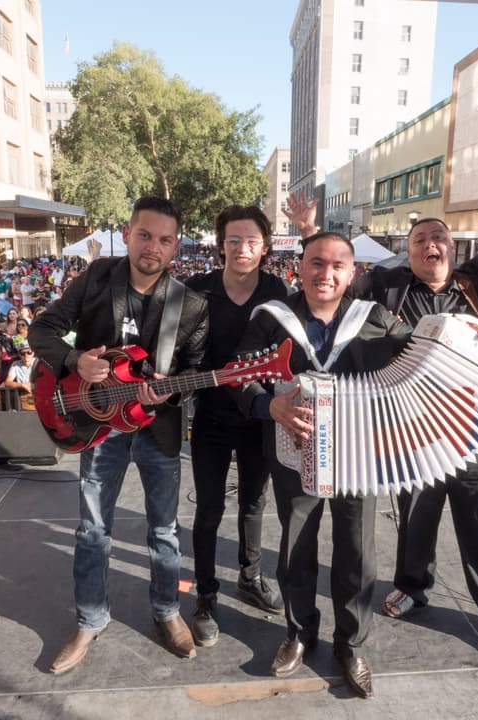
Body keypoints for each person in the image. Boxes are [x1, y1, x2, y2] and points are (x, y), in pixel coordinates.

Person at [304, 148, 478, 674]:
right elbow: (331, 274)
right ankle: (413, 586)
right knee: (415, 518)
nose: (430, 245)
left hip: (477, 427)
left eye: (439, 238)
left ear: (452, 249)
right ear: (407, 252)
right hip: (412, 427)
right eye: (420, 240)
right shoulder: (383, 289)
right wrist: (311, 234)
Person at [31, 197, 209, 674]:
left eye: (165, 240)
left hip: (158, 432)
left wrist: (165, 396)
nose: (153, 247)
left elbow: (192, 372)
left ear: (176, 247)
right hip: (96, 426)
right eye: (145, 235)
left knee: (165, 531)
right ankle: (90, 620)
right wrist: (73, 361)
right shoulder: (95, 279)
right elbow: (42, 329)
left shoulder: (189, 306)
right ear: (127, 234)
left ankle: (167, 611)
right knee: (92, 529)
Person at [233, 231, 410, 699]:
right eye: (316, 263)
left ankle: (351, 644)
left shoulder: (377, 322)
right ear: (300, 266)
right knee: (297, 548)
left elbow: (418, 366)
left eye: (337, 265)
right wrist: (266, 407)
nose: (325, 273)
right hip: (295, 453)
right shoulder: (273, 320)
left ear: (352, 273)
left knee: (356, 551)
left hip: (360, 456)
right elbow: (239, 376)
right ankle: (298, 633)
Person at [183, 205, 290, 647]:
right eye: (233, 240)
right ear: (219, 243)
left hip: (257, 415)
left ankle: (250, 576)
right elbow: (180, 348)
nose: (241, 249)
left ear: (264, 248)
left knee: (253, 502)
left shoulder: (275, 289)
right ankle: (206, 595)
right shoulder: (196, 289)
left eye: (251, 241)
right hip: (209, 416)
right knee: (208, 509)